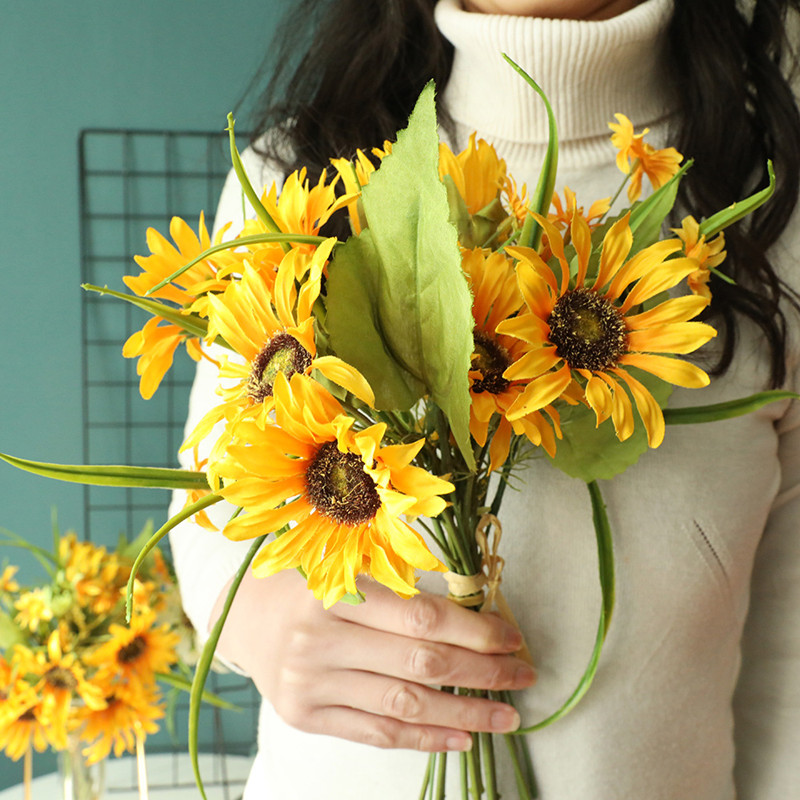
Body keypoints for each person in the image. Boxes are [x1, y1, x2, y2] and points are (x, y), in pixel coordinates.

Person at [168, 0, 800, 796]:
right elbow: (212, 514)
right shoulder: (298, 177)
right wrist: (253, 618)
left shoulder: (775, 212)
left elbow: (791, 672)